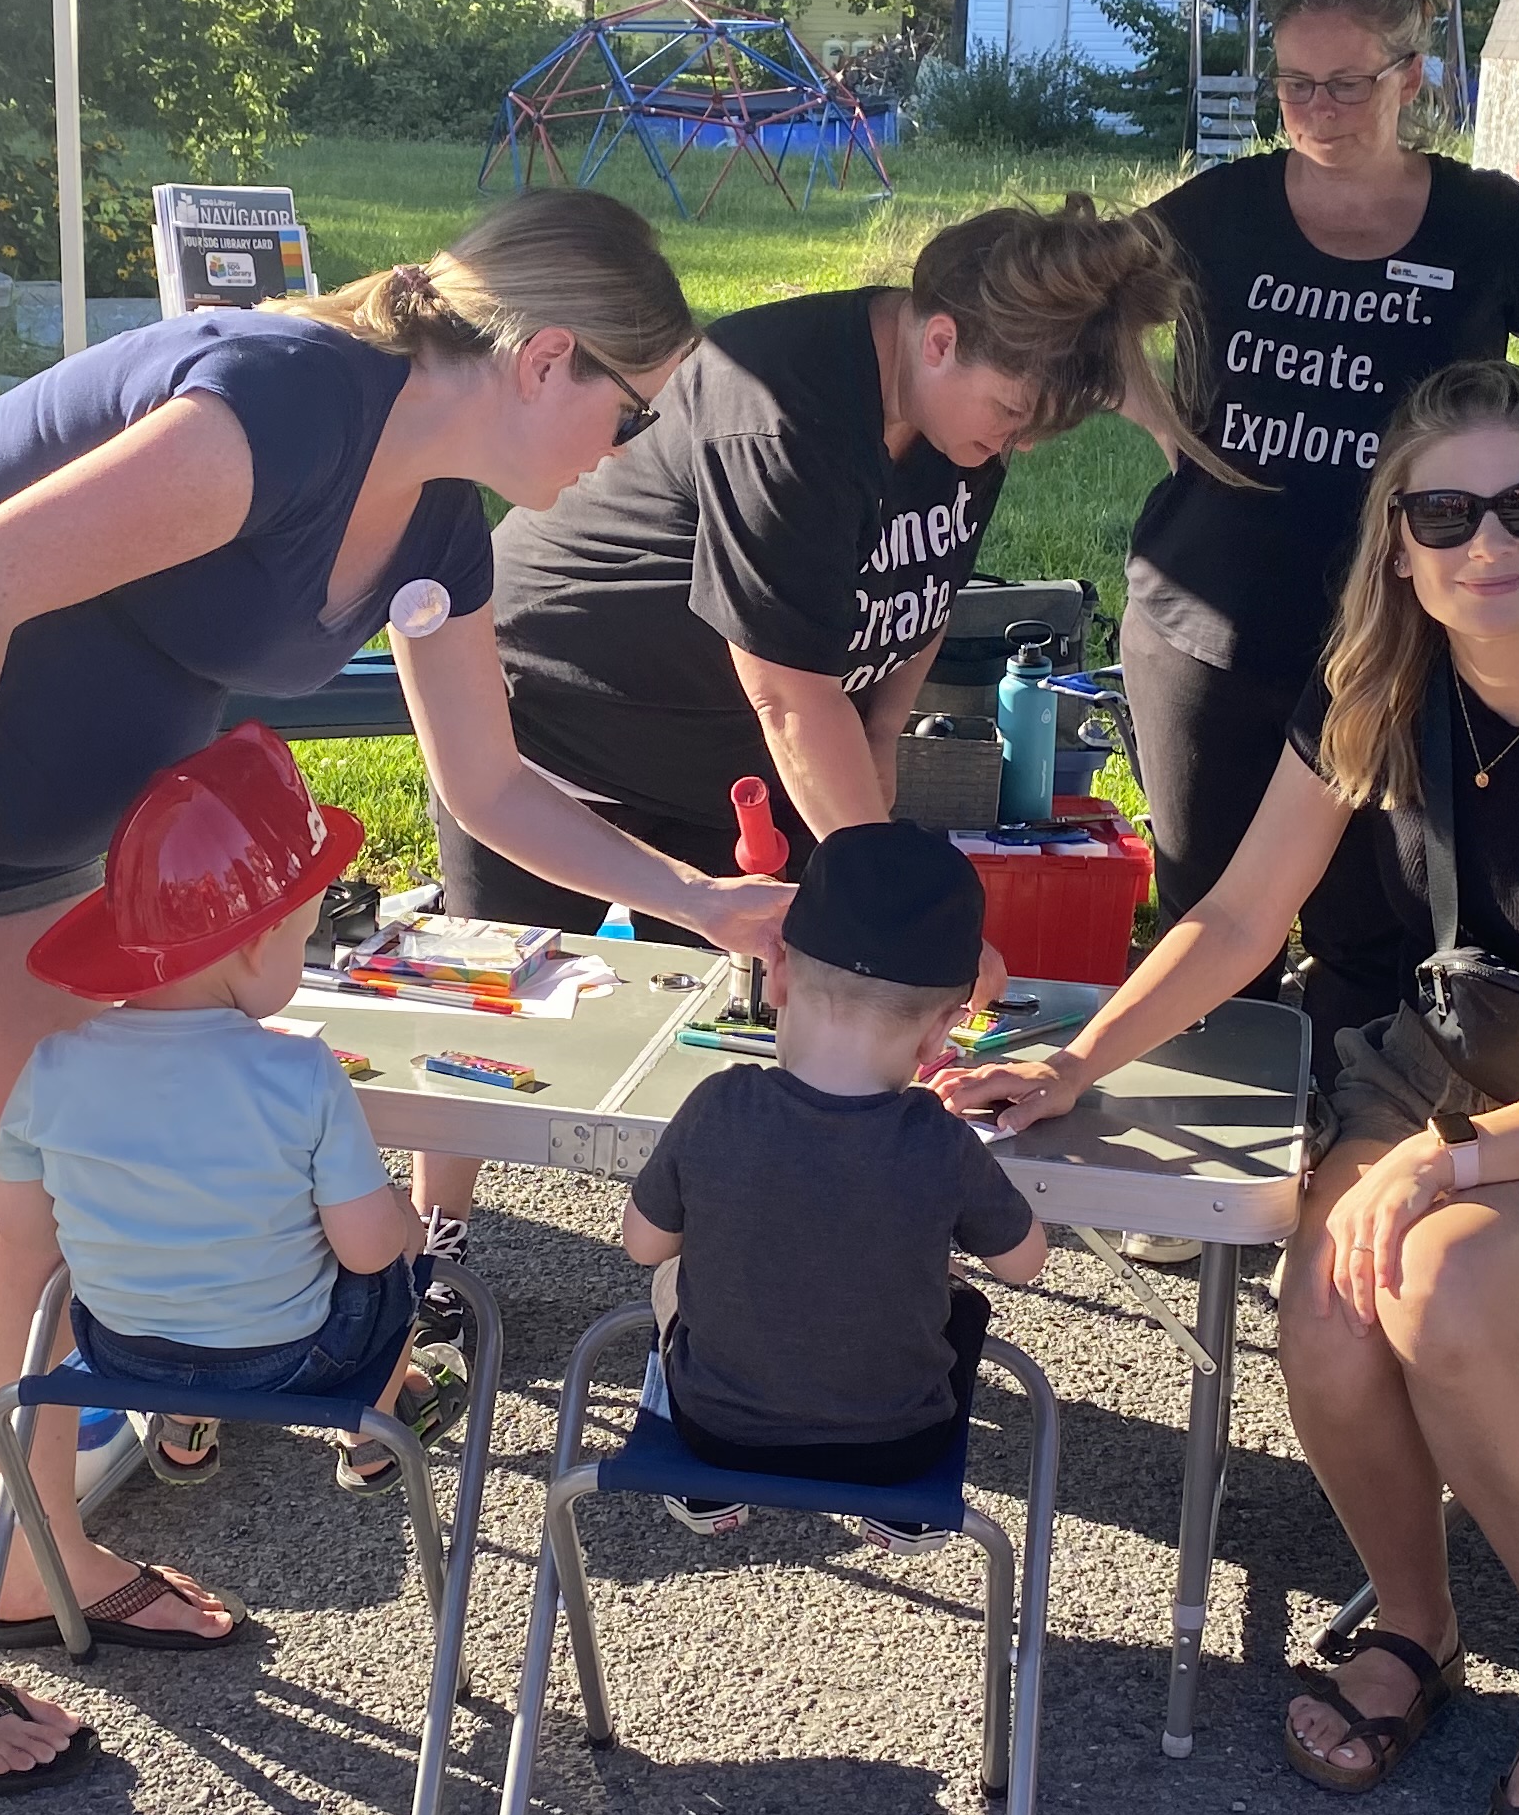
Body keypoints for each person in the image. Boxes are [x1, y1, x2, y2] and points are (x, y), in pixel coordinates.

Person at [0, 189, 787, 1795]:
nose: (626, 453)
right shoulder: (267, 407)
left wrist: (700, 902)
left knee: (35, 1185)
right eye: (630, 412)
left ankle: (49, 1556)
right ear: (547, 361)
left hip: (26, 789)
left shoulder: (441, 529)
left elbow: (483, 784)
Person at [946, 358, 1519, 1815]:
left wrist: (1442, 1167)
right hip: (1437, 1079)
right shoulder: (1381, 690)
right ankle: (1417, 1620)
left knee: (1439, 1279)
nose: (1487, 544)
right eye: (1442, 513)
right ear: (1398, 544)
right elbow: (1246, 912)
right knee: (1324, 1321)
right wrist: (1076, 1060)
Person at [415, 193, 1231, 1256]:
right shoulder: (788, 406)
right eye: (1011, 414)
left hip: (734, 748)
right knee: (491, 1001)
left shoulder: (962, 413)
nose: (1012, 449)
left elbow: (909, 621)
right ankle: (438, 1248)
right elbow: (791, 696)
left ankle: (743, 1259)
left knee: (746, 1012)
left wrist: (878, 806)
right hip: (563, 709)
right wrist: (905, 919)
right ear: (940, 338)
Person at [1125, 0, 1519, 1035]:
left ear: (1410, 77)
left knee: (1380, 940)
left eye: (1347, 84)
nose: (1318, 110)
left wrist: (1518, 471)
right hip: (1207, 625)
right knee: (1211, 926)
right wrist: (1166, 423)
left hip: (1404, 637)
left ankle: (1357, 1170)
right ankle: (1204, 1203)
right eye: (1295, 85)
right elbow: (1081, 314)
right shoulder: (1218, 211)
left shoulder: (1482, 220)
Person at [0, 726, 452, 1520]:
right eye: (304, 941)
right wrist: (409, 1227)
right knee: (399, 1264)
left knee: (178, 1290)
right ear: (255, 942)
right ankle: (374, 1427)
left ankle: (181, 1424)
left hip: (121, 1353)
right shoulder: (300, 1074)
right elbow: (365, 1249)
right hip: (291, 1361)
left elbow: (28, 1228)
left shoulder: (53, 1067)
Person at [620, 822, 1047, 1540]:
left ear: (778, 974)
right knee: (957, 1301)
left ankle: (704, 1494)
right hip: (896, 1452)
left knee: (672, 1281)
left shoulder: (719, 1105)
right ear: (942, 1030)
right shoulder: (939, 1140)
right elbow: (1025, 1263)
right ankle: (899, 1511)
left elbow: (642, 1243)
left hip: (715, 1438)